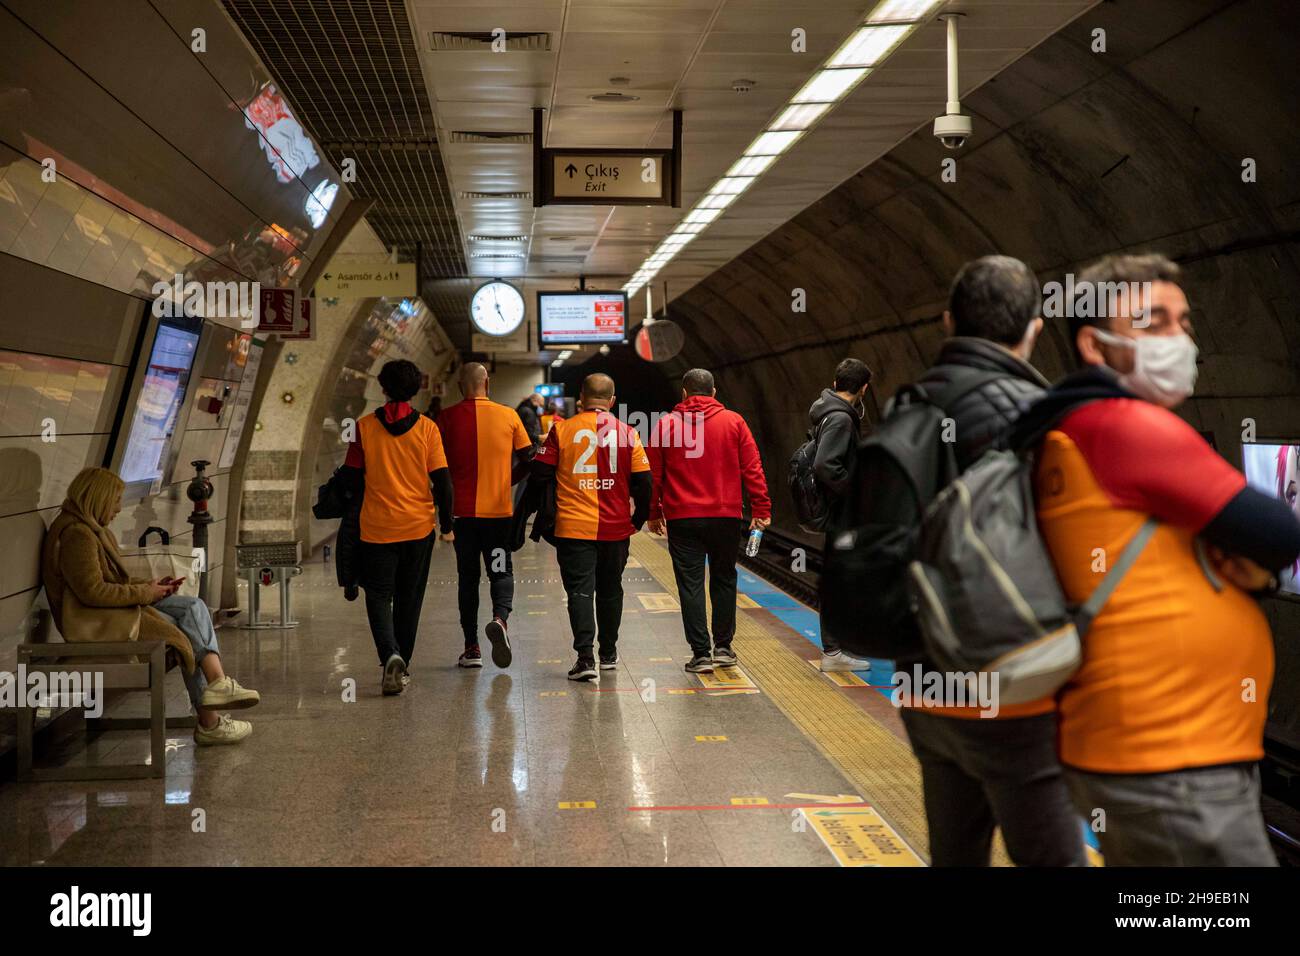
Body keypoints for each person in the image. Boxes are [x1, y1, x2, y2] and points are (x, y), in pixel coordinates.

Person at [1011, 252, 1300, 866]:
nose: (1179, 338)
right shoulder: (1125, 426)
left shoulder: (1067, 425)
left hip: (1147, 744)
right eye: (1153, 322)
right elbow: (1278, 532)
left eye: (1184, 322)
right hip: (1172, 752)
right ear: (1095, 344)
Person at [898, 255, 1088, 867]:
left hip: (924, 679)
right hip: (1012, 683)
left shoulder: (908, 406)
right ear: (1035, 327)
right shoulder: (1038, 417)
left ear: (947, 321)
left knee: (955, 854)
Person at [40, 467, 260, 745]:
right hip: (98, 623)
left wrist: (154, 586)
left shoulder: (92, 529)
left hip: (113, 614)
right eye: (116, 501)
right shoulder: (77, 535)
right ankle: (211, 718)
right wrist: (145, 592)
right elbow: (93, 593)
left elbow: (114, 581)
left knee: (194, 608)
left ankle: (217, 687)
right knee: (185, 630)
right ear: (98, 498)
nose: (119, 509)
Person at [522, 373, 650, 682]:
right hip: (616, 529)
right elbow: (645, 482)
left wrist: (522, 514)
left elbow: (539, 474)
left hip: (573, 528)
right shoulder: (628, 434)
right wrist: (639, 519)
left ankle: (585, 658)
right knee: (611, 590)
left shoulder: (561, 430)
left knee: (579, 592)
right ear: (613, 401)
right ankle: (608, 654)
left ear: (581, 396)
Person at [340, 359, 454, 695]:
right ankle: (401, 664)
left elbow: (350, 479)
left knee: (378, 595)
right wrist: (447, 524)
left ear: (382, 387)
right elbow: (443, 483)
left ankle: (388, 653)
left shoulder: (362, 427)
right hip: (418, 528)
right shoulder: (428, 429)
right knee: (409, 598)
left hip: (375, 528)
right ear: (417, 387)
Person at [646, 368, 771, 673]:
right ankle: (724, 648)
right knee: (724, 579)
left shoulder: (665, 425)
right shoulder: (734, 422)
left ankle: (701, 653)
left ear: (684, 394)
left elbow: (654, 476)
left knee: (690, 585)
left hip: (683, 519)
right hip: (725, 516)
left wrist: (653, 513)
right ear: (714, 393)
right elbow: (752, 468)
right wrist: (761, 508)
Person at [437, 363, 535, 669]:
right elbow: (530, 459)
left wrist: (443, 514)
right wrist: (508, 479)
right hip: (498, 516)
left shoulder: (446, 418)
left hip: (463, 517)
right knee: (500, 570)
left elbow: (437, 470)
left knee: (468, 578)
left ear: (459, 386)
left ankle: (472, 648)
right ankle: (499, 619)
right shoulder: (509, 415)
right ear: (487, 383)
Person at [808, 358, 875, 672]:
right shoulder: (841, 419)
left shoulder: (828, 412)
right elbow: (825, 465)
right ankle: (833, 652)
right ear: (863, 389)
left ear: (836, 383)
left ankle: (839, 645)